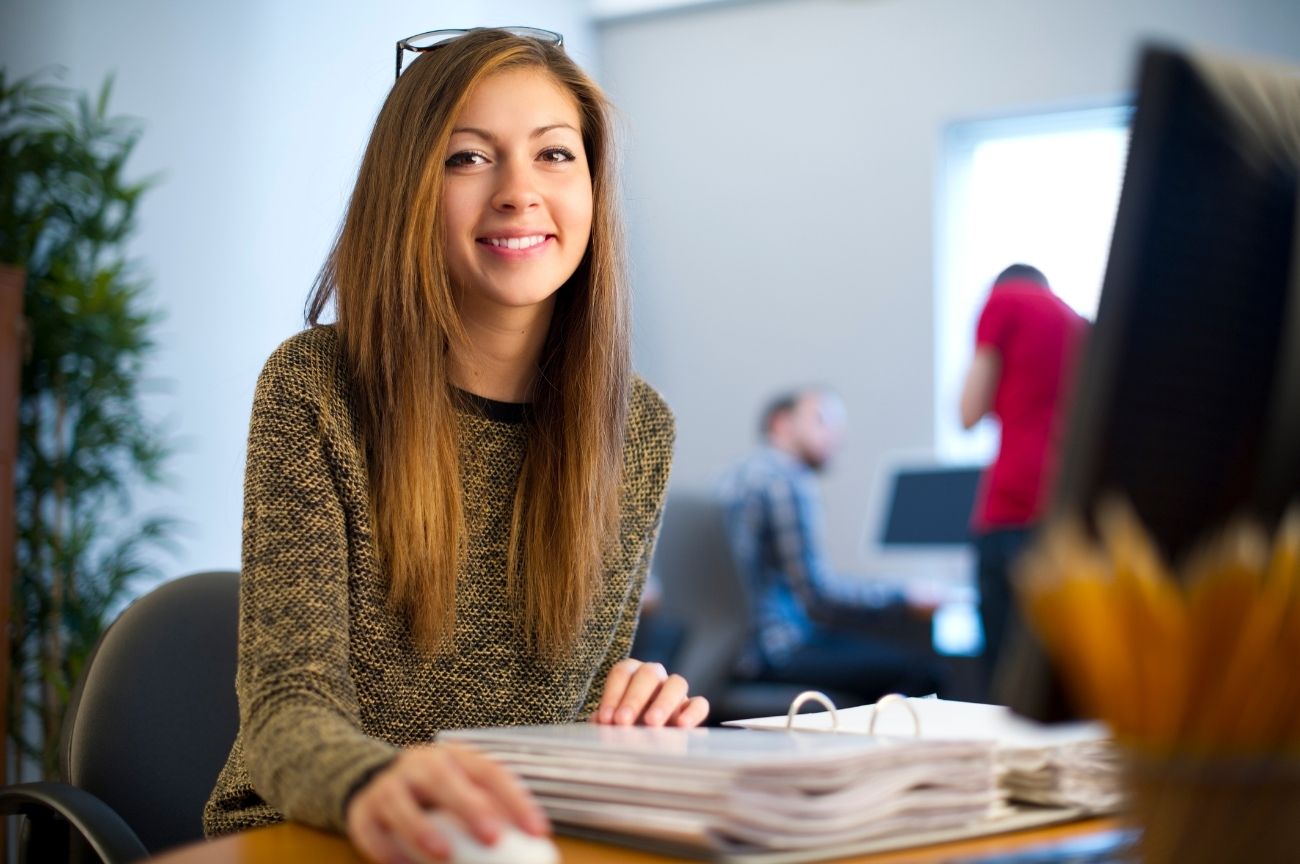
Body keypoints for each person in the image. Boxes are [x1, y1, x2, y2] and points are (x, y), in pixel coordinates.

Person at [202, 27, 708, 863]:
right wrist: (379, 783)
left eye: (554, 155)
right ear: (409, 188)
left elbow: (565, 718)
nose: (519, 192)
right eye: (468, 158)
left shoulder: (637, 429)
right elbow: (287, 706)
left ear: (592, 186)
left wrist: (627, 726)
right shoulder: (315, 386)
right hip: (319, 836)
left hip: (507, 843)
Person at [717, 388, 940, 706]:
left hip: (731, 651)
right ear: (781, 423)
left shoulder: (735, 475)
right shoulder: (784, 480)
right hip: (775, 651)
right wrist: (903, 597)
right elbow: (819, 596)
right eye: (822, 420)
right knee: (923, 671)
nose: (834, 434)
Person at [961, 263, 1089, 688]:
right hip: (1063, 505)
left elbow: (968, 412)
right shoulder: (1077, 322)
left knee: (1002, 674)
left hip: (1010, 506)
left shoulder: (1005, 302)